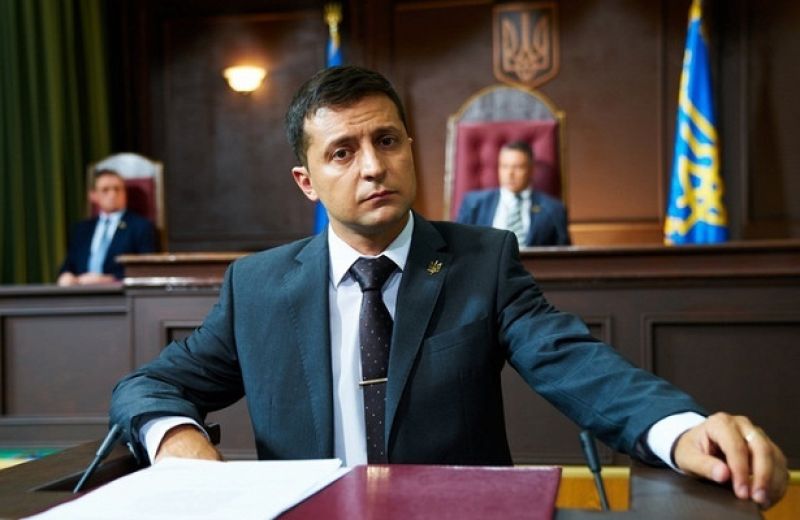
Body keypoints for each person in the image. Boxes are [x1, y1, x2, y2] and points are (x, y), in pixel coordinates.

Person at [110, 66, 787, 509]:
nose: (373, 167)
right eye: (343, 152)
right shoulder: (257, 286)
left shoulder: (481, 262)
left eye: (387, 141)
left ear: (410, 147)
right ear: (307, 182)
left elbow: (574, 362)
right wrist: (177, 441)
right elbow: (147, 386)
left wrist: (682, 430)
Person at [456, 141, 571, 246]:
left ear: (531, 170)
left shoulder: (554, 209)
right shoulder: (474, 204)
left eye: (518, 167)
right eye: (504, 166)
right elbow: (458, 247)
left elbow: (564, 256)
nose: (510, 173)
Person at [57, 169, 156, 286]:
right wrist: (65, 275)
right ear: (93, 195)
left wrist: (109, 280)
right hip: (81, 291)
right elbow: (69, 264)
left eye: (117, 189)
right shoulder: (82, 229)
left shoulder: (140, 227)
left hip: (118, 292)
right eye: (105, 190)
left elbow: (146, 270)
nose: (112, 195)